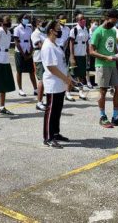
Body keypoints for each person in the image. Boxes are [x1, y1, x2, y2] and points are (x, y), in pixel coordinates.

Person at [90, 9, 118, 128]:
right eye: (115, 19)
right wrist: (106, 57)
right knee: (103, 91)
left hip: (113, 65)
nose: (116, 21)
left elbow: (114, 49)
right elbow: (91, 51)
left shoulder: (113, 31)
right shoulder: (98, 32)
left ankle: (116, 117)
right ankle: (102, 116)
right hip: (102, 65)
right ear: (107, 17)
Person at [41, 21, 73, 149]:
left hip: (60, 82)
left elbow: (61, 64)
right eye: (58, 29)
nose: (60, 31)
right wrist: (65, 78)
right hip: (53, 82)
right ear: (51, 31)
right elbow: (51, 67)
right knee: (51, 110)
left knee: (57, 110)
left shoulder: (56, 44)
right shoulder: (48, 45)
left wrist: (68, 76)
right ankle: (48, 137)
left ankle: (55, 133)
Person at [13, 13, 37, 97]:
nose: (27, 19)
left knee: (31, 71)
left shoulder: (29, 29)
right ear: (21, 19)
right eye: (25, 18)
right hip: (20, 51)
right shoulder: (17, 29)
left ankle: (35, 89)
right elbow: (16, 42)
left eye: (28, 18)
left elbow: (31, 40)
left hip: (28, 50)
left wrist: (30, 52)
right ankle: (20, 89)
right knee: (19, 71)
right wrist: (23, 54)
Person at [69, 12, 89, 100]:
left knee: (81, 74)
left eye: (84, 18)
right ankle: (68, 92)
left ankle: (81, 92)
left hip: (83, 54)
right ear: (77, 20)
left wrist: (87, 55)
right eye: (81, 19)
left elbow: (87, 42)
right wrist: (72, 56)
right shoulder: (74, 30)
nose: (83, 20)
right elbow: (71, 43)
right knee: (73, 74)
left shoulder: (86, 29)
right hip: (76, 54)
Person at [56, 13, 75, 102]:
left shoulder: (68, 29)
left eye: (65, 19)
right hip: (56, 51)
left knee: (66, 71)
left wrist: (65, 49)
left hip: (64, 51)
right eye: (62, 19)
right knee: (57, 71)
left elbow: (67, 40)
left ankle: (67, 92)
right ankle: (58, 90)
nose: (64, 20)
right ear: (58, 19)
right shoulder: (55, 28)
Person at [31, 19, 48, 111]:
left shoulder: (44, 33)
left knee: (46, 79)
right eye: (40, 22)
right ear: (36, 25)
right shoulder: (35, 34)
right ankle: (39, 102)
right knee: (41, 80)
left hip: (46, 58)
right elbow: (40, 45)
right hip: (39, 58)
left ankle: (44, 100)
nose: (42, 23)